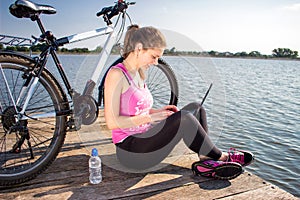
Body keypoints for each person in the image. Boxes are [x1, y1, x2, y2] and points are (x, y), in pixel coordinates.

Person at [104, 25, 253, 179]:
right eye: (154, 56)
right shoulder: (116, 74)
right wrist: (151, 118)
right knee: (184, 118)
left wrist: (158, 112)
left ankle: (206, 160)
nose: (156, 62)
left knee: (197, 108)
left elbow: (136, 109)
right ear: (139, 48)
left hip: (146, 138)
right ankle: (221, 157)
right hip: (131, 152)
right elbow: (112, 123)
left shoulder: (139, 73)